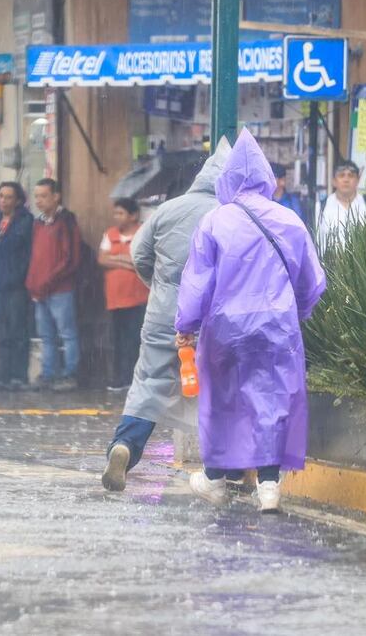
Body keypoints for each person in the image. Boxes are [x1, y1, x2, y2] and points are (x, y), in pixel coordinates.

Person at [175, 129, 326, 512]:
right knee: (274, 400)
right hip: (277, 326)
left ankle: (214, 478)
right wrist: (299, 313)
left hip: (225, 326)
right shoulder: (289, 220)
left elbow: (197, 282)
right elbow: (310, 280)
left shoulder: (214, 221)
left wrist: (185, 326)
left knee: (222, 399)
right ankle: (270, 487)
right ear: (265, 176)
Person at [101, 139, 230, 493]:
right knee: (213, 391)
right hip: (208, 319)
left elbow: (140, 254)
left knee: (149, 384)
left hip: (161, 316)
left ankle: (124, 446)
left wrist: (158, 288)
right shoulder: (227, 214)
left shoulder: (168, 209)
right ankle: (216, 467)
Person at [25, 178, 82, 392]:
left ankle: (70, 374)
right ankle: (49, 374)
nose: (39, 200)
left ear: (56, 196)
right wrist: (33, 284)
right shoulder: (38, 223)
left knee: (67, 333)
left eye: (43, 196)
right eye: (36, 196)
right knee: (46, 335)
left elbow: (69, 259)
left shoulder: (66, 221)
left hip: (60, 289)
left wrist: (47, 282)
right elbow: (34, 257)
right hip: (39, 290)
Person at [0, 182, 34, 391]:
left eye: (8, 197)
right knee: (0, 331)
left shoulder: (25, 221)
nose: (3, 200)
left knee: (18, 331)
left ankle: (18, 376)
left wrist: (18, 276)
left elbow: (26, 254)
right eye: (1, 196)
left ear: (18, 200)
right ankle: (1, 375)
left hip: (16, 285)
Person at [98, 198, 150, 391]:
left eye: (120, 213)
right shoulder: (110, 234)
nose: (116, 217)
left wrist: (116, 259)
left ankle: (134, 378)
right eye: (115, 213)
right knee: (118, 340)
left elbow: (140, 261)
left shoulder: (142, 233)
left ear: (133, 215)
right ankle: (119, 377)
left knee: (135, 339)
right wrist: (124, 260)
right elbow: (102, 259)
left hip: (137, 298)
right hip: (115, 299)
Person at [317, 160, 366, 251]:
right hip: (328, 263)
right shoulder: (320, 207)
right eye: (341, 175)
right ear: (334, 181)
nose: (346, 180)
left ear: (358, 180)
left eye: (351, 176)